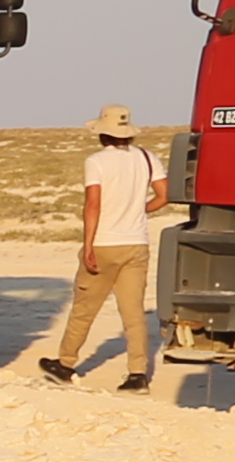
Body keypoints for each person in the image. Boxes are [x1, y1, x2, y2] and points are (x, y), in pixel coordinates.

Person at [42, 103, 168, 391]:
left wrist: (87, 244)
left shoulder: (96, 161)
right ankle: (137, 373)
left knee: (85, 307)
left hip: (105, 243)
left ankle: (65, 363)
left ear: (103, 133)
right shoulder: (147, 158)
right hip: (136, 243)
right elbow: (165, 195)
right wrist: (139, 210)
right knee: (133, 312)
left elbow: (93, 204)